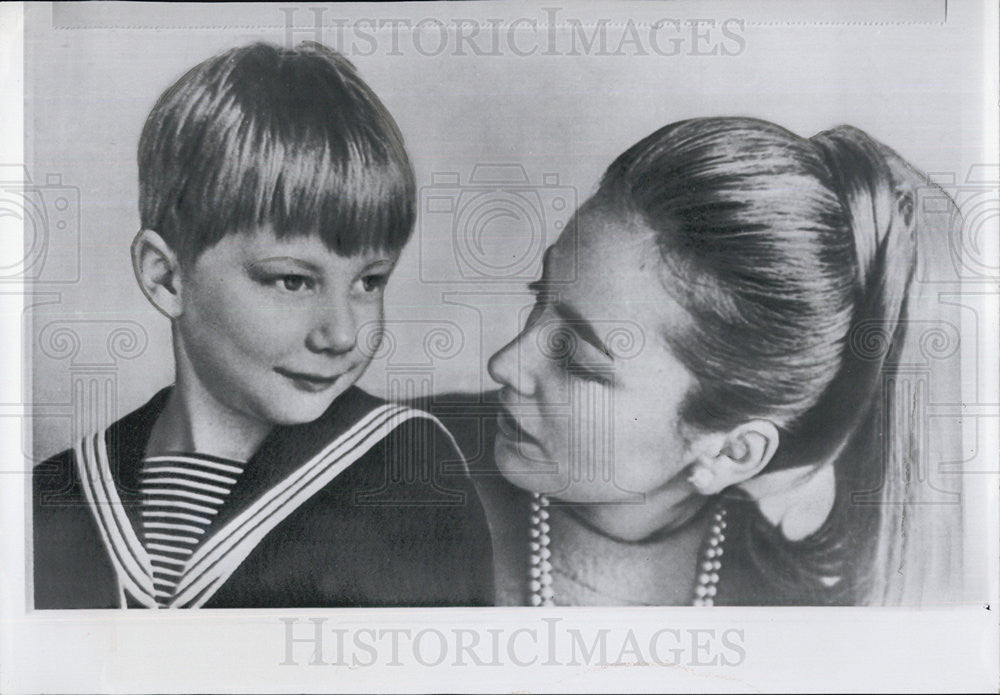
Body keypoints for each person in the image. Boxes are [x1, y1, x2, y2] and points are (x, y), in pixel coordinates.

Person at [32, 42, 493, 609]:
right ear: (166, 280)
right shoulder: (54, 495)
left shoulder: (409, 476)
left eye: (369, 282)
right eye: (293, 281)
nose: (343, 334)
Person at [434, 117, 964, 606]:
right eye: (539, 294)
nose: (505, 364)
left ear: (733, 452)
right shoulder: (396, 466)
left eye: (577, 357)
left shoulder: (785, 615)